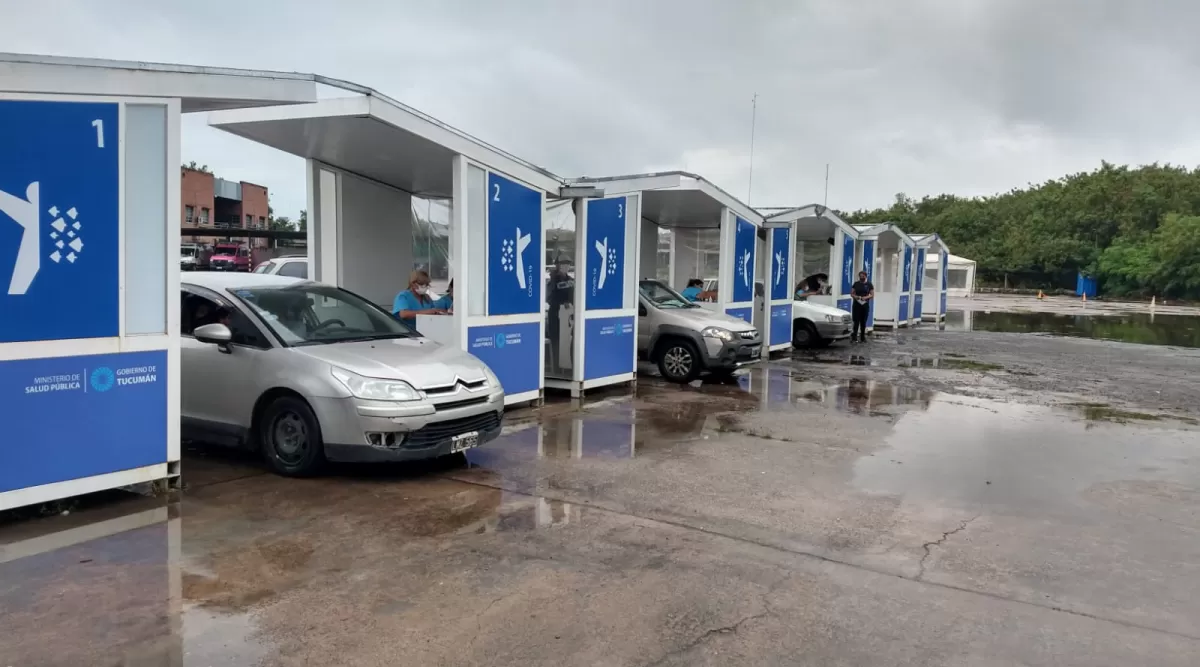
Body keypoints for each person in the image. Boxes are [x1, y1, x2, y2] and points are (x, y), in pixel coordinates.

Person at [849, 270, 874, 343]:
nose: (861, 277)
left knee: (863, 321)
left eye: (863, 276)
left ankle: (863, 337)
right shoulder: (856, 284)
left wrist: (865, 297)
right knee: (856, 321)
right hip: (857, 304)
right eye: (860, 276)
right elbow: (852, 293)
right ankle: (854, 336)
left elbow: (872, 295)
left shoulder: (869, 284)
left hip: (865, 304)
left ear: (866, 276)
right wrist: (855, 296)